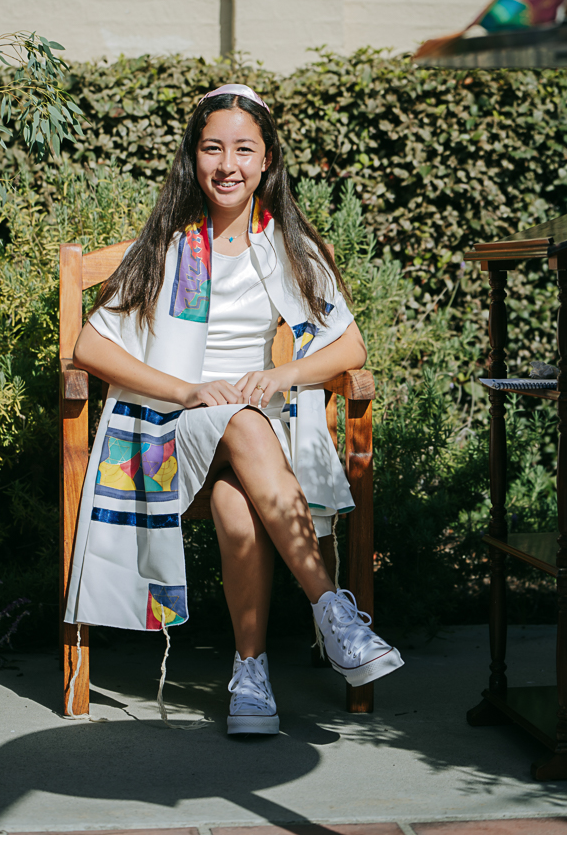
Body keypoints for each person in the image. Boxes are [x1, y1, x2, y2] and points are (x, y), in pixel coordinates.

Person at [65, 84, 403, 735]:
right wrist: (188, 391)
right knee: (246, 423)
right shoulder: (172, 244)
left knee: (237, 502)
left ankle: (251, 676)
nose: (228, 164)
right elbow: (90, 345)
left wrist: (282, 373)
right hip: (170, 423)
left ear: (267, 159)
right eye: (212, 148)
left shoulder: (286, 246)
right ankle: (333, 612)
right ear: (193, 159)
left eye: (243, 149)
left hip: (253, 432)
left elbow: (348, 346)